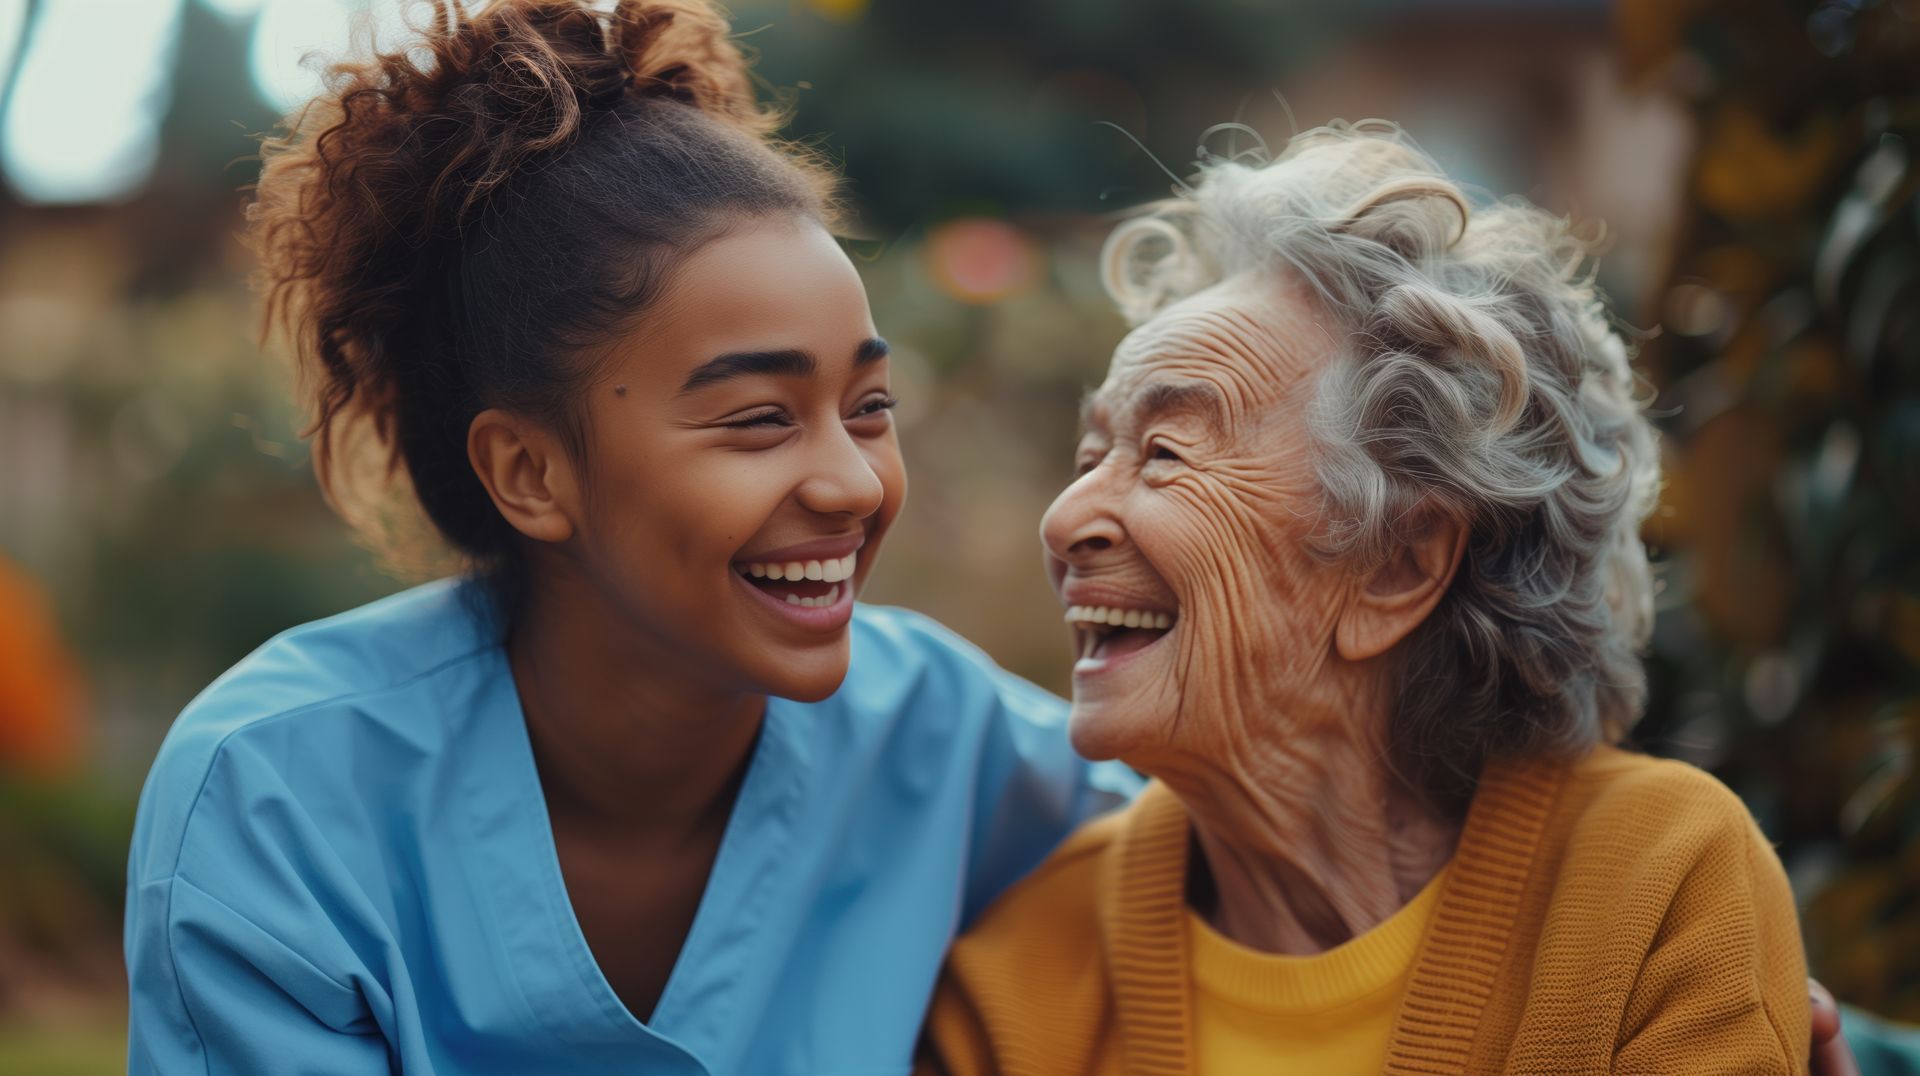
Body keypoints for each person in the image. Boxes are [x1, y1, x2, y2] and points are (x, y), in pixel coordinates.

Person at [121, 3, 1134, 1072]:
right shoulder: (278, 802)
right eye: (758, 418)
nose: (852, 481)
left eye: (871, 406)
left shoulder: (943, 740)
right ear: (530, 471)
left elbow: (1245, 869)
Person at [923, 122, 1815, 1074]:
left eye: (1166, 454)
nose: (1065, 518)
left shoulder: (1652, 885)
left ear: (1399, 565)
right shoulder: (1022, 981)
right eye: (1090, 455)